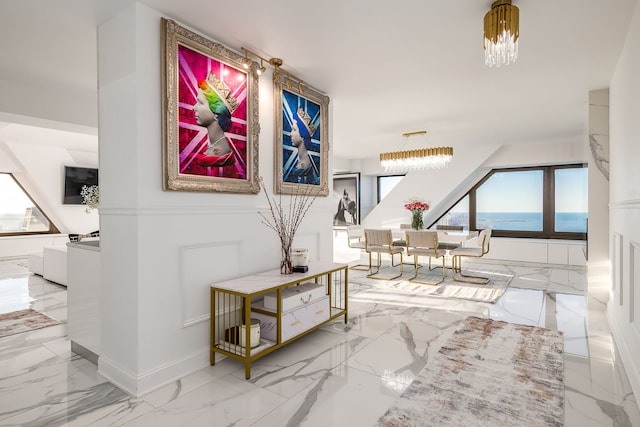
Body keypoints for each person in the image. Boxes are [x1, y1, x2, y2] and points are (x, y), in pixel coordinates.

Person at [192, 72, 239, 168]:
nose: (194, 107)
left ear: (217, 113)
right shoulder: (214, 144)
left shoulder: (223, 152)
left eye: (200, 103)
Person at [287, 107, 318, 184]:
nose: (291, 134)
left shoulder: (306, 166)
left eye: (294, 130)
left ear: (303, 136)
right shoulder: (300, 162)